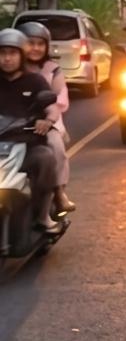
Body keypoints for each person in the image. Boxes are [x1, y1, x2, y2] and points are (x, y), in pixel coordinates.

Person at [0, 28, 61, 233]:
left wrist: (47, 120)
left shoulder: (35, 80)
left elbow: (51, 107)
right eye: (2, 53)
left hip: (27, 145)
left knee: (46, 159)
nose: (7, 59)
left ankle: (43, 215)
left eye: (12, 53)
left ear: (22, 55)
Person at [19, 21, 75, 215]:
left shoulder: (52, 69)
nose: (35, 48)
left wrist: (47, 118)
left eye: (40, 44)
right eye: (30, 43)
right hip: (13, 122)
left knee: (55, 148)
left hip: (46, 121)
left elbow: (57, 100)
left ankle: (59, 193)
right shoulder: (10, 67)